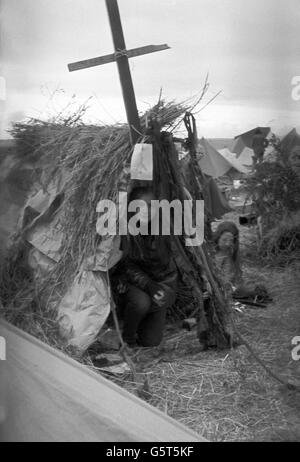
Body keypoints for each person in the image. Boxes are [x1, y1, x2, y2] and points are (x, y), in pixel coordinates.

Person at [113, 186, 177, 347]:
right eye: (140, 206)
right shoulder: (125, 230)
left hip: (155, 286)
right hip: (130, 282)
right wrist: (149, 285)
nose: (146, 210)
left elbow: (169, 271)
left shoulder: (163, 231)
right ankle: (127, 339)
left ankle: (137, 320)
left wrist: (162, 292)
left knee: (151, 341)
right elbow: (124, 264)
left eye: (151, 205)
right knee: (141, 302)